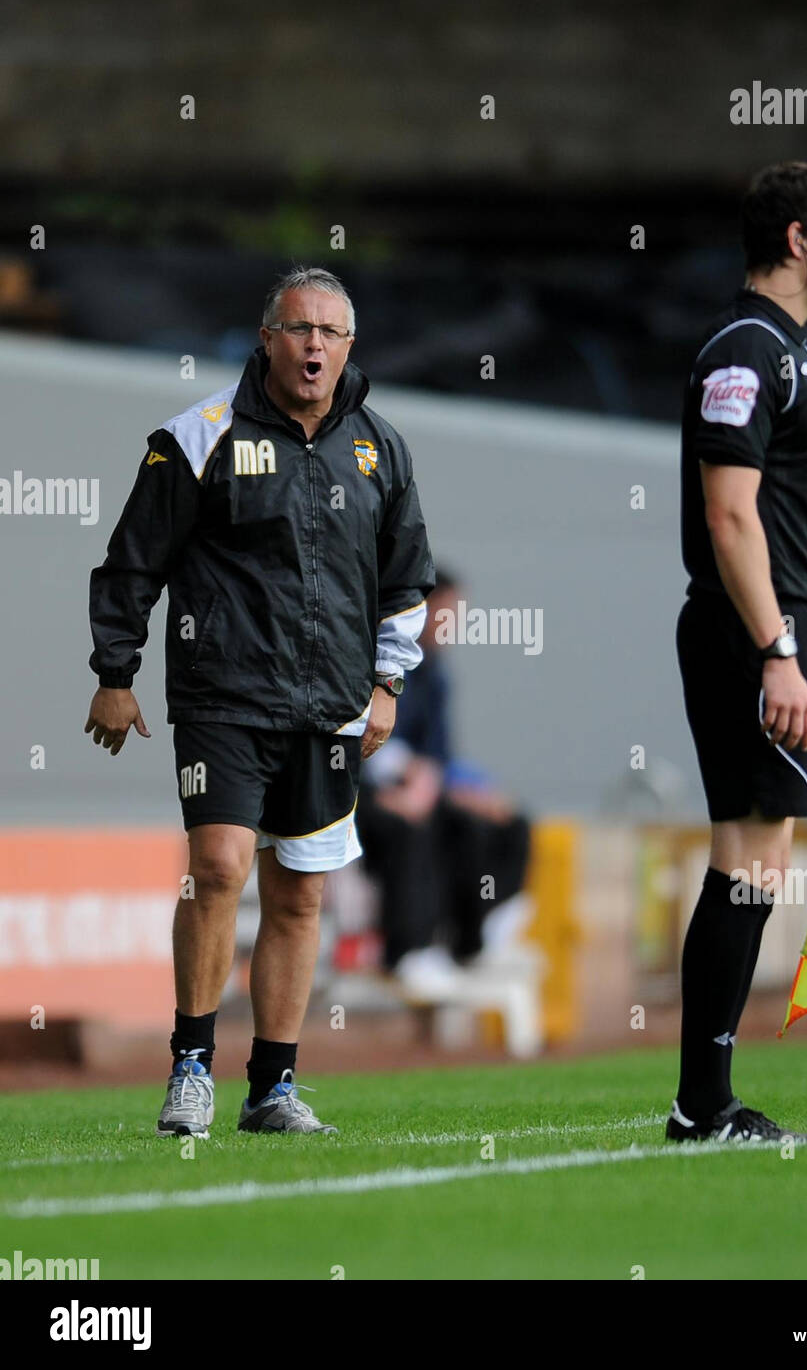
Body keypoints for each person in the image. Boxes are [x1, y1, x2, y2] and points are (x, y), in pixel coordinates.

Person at [85, 266, 435, 1136]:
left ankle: (272, 1087)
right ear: (267, 338)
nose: (315, 344)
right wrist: (115, 672)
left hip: (329, 707)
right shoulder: (196, 436)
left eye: (331, 331)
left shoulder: (381, 449)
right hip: (224, 696)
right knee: (218, 870)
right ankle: (191, 1067)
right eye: (298, 328)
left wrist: (387, 683)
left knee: (300, 896)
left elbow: (406, 580)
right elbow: (135, 558)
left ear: (351, 346)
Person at [669, 163, 807, 1143]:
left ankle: (704, 1100)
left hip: (785, 626)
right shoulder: (748, 349)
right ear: (797, 241)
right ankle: (702, 1105)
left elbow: (784, 527)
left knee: (760, 860)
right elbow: (730, 514)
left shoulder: (788, 351)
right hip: (750, 633)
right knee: (748, 854)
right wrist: (777, 649)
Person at [356, 569, 532, 993]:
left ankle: (473, 940)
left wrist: (475, 789)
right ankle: (407, 951)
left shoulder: (435, 674)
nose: (454, 622)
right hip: (361, 797)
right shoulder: (371, 659)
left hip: (421, 793)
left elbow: (439, 756)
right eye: (447, 611)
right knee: (413, 828)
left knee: (499, 822)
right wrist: (401, 783)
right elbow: (353, 741)